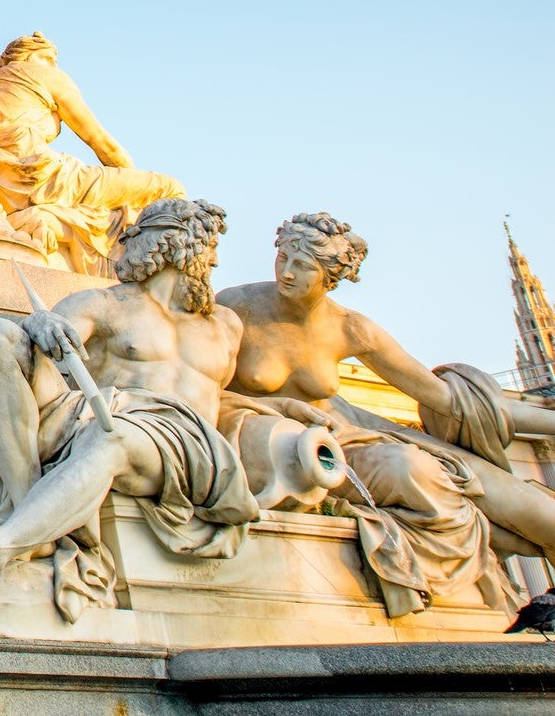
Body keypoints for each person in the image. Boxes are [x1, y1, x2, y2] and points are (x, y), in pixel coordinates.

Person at [0, 199, 257, 619]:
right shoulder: (104, 304)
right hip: (100, 415)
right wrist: (42, 325)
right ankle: (34, 521)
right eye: (210, 246)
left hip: (181, 441)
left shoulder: (224, 324)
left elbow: (234, 397)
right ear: (180, 244)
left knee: (110, 438)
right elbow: (56, 344)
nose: (216, 259)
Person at [219, 214, 555, 616]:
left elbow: (446, 400)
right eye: (282, 258)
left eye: (303, 266)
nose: (286, 273)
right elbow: (202, 385)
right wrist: (280, 407)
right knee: (417, 473)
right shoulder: (236, 306)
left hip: (353, 431)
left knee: (536, 512)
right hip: (280, 440)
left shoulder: (351, 328)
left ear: (331, 277)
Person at [0, 34, 184, 274]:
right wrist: (132, 186)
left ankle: (64, 224)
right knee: (168, 189)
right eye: (50, 59)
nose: (54, 65)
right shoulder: (43, 74)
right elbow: (101, 143)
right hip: (46, 179)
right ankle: (163, 277)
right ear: (35, 56)